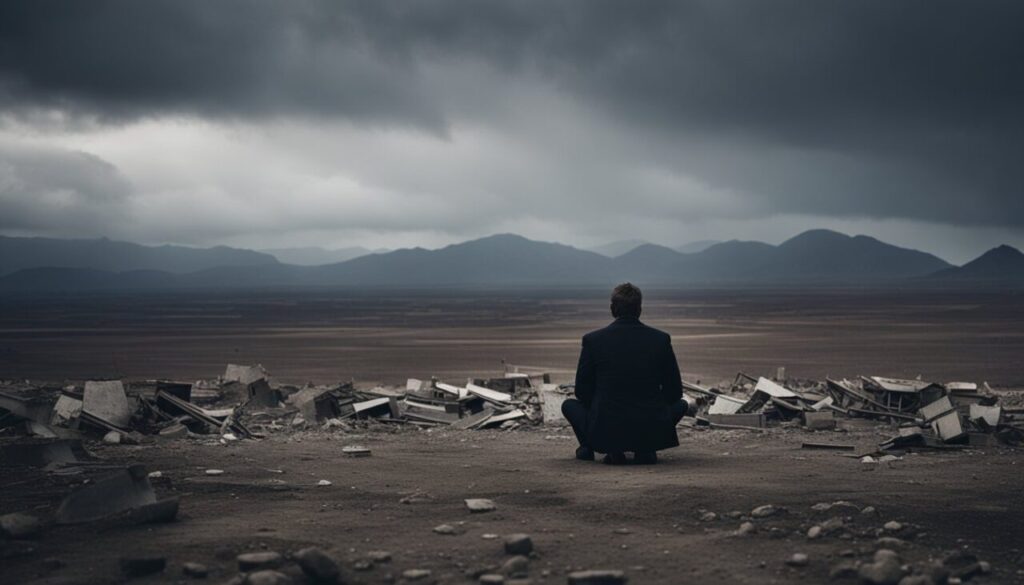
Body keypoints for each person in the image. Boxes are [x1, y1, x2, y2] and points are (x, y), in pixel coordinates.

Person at [561, 283, 688, 465]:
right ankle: (646, 446)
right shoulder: (660, 340)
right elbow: (675, 392)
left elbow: (582, 391)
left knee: (569, 405)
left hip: (606, 426)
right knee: (682, 405)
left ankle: (592, 446)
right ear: (639, 309)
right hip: (650, 424)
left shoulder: (593, 340)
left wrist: (600, 408)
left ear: (613, 309)